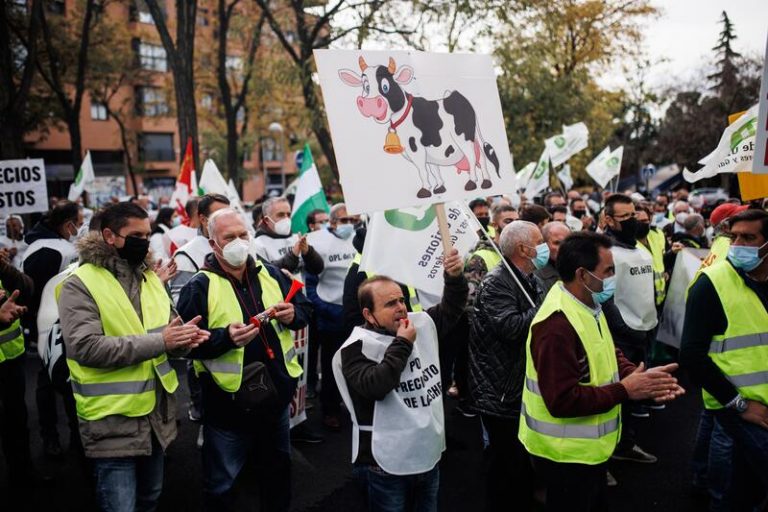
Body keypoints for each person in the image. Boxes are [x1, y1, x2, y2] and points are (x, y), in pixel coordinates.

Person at [58, 202, 209, 511]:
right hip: (111, 422)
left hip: (155, 417)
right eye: (136, 234)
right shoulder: (79, 283)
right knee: (120, 507)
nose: (145, 240)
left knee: (149, 499)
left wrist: (184, 340)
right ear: (109, 236)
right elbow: (85, 347)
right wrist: (162, 341)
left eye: (148, 233)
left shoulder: (149, 277)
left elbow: (167, 331)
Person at [520, 232, 684, 512]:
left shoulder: (588, 304)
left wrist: (639, 378)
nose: (613, 277)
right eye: (608, 270)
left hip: (587, 452)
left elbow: (607, 350)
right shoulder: (556, 325)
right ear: (583, 275)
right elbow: (560, 400)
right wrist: (627, 390)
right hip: (564, 455)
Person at [177, 208, 311, 511]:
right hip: (228, 409)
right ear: (214, 244)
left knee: (277, 474)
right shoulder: (198, 287)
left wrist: (294, 315)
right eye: (229, 237)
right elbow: (183, 345)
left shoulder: (271, 273)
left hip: (275, 402)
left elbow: (304, 310)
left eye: (242, 235)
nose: (239, 242)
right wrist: (225, 338)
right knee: (221, 484)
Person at [334, 247, 467, 512]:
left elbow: (452, 307)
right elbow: (376, 385)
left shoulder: (419, 324)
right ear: (368, 314)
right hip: (383, 465)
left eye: (401, 300)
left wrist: (454, 277)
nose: (401, 309)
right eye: (390, 304)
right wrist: (403, 344)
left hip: (425, 454)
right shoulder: (356, 347)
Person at [681, 209, 768, 511]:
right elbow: (691, 355)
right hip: (739, 406)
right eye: (735, 237)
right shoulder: (712, 283)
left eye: (749, 237)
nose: (738, 244)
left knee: (746, 488)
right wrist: (739, 404)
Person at [468, 221, 547, 511]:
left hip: (518, 383)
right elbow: (511, 328)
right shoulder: (496, 282)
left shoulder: (530, 278)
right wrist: (545, 308)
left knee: (520, 461)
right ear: (524, 249)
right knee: (504, 463)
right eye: (540, 241)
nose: (545, 245)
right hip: (499, 390)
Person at [600, 194, 660, 463]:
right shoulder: (608, 253)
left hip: (644, 333)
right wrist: (625, 330)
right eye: (625, 217)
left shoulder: (641, 249)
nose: (632, 220)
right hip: (622, 336)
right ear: (609, 220)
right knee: (618, 396)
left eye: (633, 214)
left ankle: (625, 444)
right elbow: (606, 299)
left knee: (632, 399)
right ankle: (609, 452)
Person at [22, 200, 84, 457]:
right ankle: (52, 438)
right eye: (78, 224)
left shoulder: (41, 245)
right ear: (68, 225)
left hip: (54, 322)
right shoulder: (52, 251)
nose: (80, 228)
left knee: (53, 381)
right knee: (50, 382)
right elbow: (39, 292)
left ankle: (63, 437)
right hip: (52, 324)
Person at [306, 203, 359, 430]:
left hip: (357, 315)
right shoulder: (318, 243)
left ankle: (357, 407)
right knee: (330, 368)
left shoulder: (361, 240)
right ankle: (330, 409)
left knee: (358, 364)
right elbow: (310, 285)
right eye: (345, 220)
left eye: (353, 220)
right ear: (333, 222)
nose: (350, 225)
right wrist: (325, 309)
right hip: (331, 315)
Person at [0, 248, 40, 491]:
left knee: (16, 421)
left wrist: (4, 267)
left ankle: (22, 475)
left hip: (11, 359)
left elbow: (26, 290)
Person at [170, 193, 231, 303]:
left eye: (229, 216)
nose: (227, 221)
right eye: (219, 216)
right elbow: (180, 300)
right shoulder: (186, 255)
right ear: (203, 219)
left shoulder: (242, 245)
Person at [251, 197, 324, 276]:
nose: (286, 219)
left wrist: (308, 252)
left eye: (288, 215)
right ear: (267, 220)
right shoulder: (258, 245)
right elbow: (266, 274)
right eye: (281, 215)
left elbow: (318, 269)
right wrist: (293, 255)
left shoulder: (297, 238)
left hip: (300, 288)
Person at [535, 221, 570, 293]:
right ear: (543, 244)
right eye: (557, 243)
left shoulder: (579, 270)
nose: (563, 247)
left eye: (567, 242)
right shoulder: (536, 276)